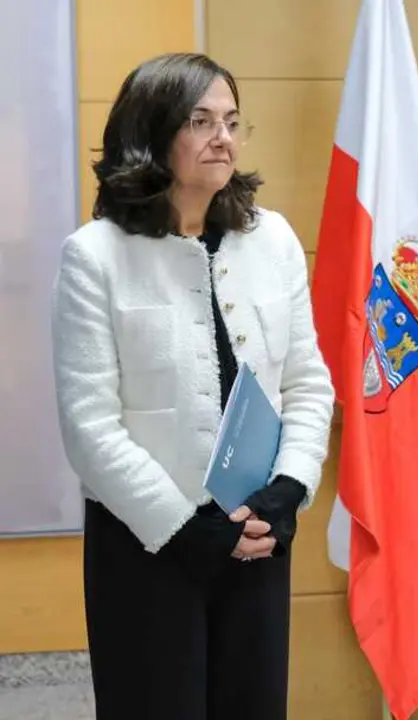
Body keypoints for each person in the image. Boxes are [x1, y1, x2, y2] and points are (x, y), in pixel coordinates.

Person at [50, 53, 335, 720]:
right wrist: (185, 530)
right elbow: (90, 426)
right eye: (201, 120)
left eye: (232, 121)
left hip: (256, 535)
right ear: (150, 134)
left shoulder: (276, 241)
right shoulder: (94, 256)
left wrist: (289, 491)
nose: (223, 138)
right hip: (148, 547)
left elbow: (308, 383)